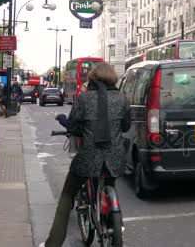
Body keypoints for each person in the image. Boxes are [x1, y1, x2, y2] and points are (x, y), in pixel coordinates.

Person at [40, 62, 131, 247]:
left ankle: (54, 242)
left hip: (89, 157)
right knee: (110, 179)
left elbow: (74, 127)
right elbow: (126, 126)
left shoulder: (84, 98)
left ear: (92, 78)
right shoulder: (121, 98)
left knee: (68, 193)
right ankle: (113, 218)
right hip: (116, 157)